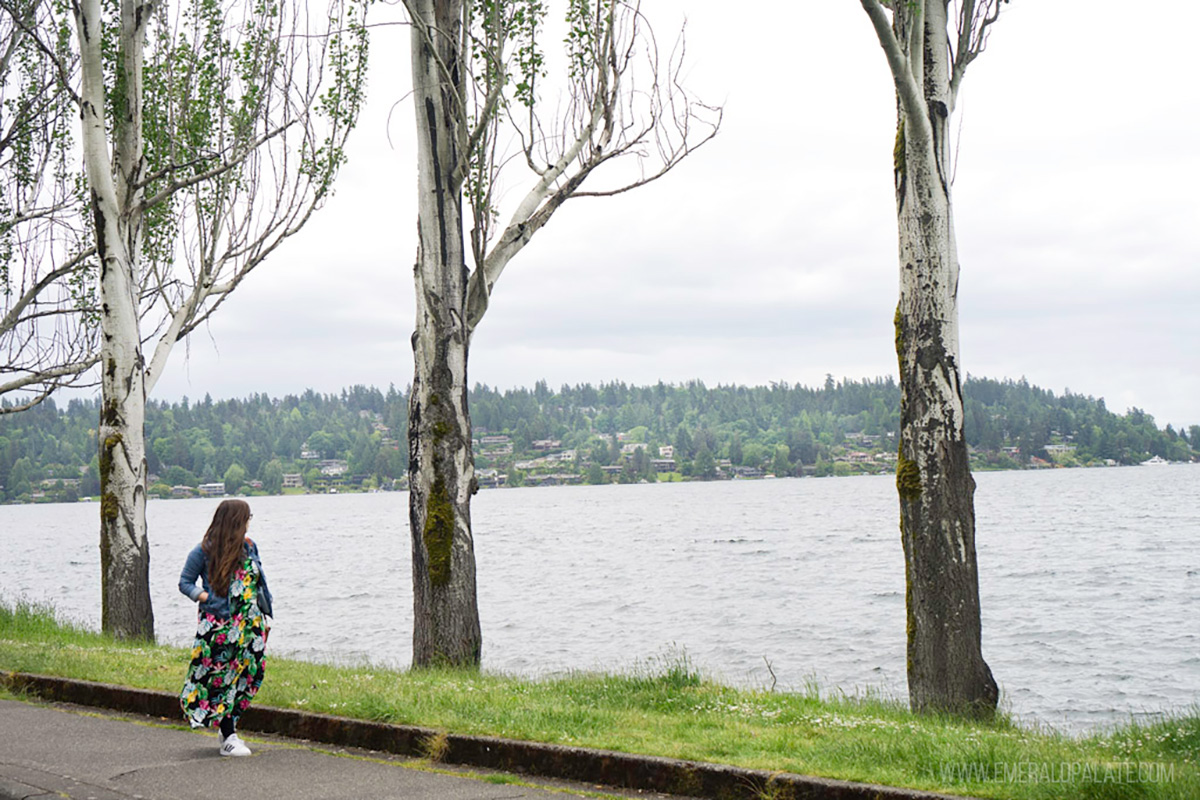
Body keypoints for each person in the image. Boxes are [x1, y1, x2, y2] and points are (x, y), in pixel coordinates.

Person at [178, 498, 273, 756]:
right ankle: (229, 736)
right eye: (246, 517)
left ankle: (228, 728)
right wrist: (205, 597)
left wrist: (263, 613)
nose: (249, 522)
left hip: (250, 626)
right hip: (219, 627)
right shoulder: (204, 551)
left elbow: (256, 583)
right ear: (234, 520)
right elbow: (185, 582)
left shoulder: (249, 547)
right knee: (222, 680)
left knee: (250, 674)